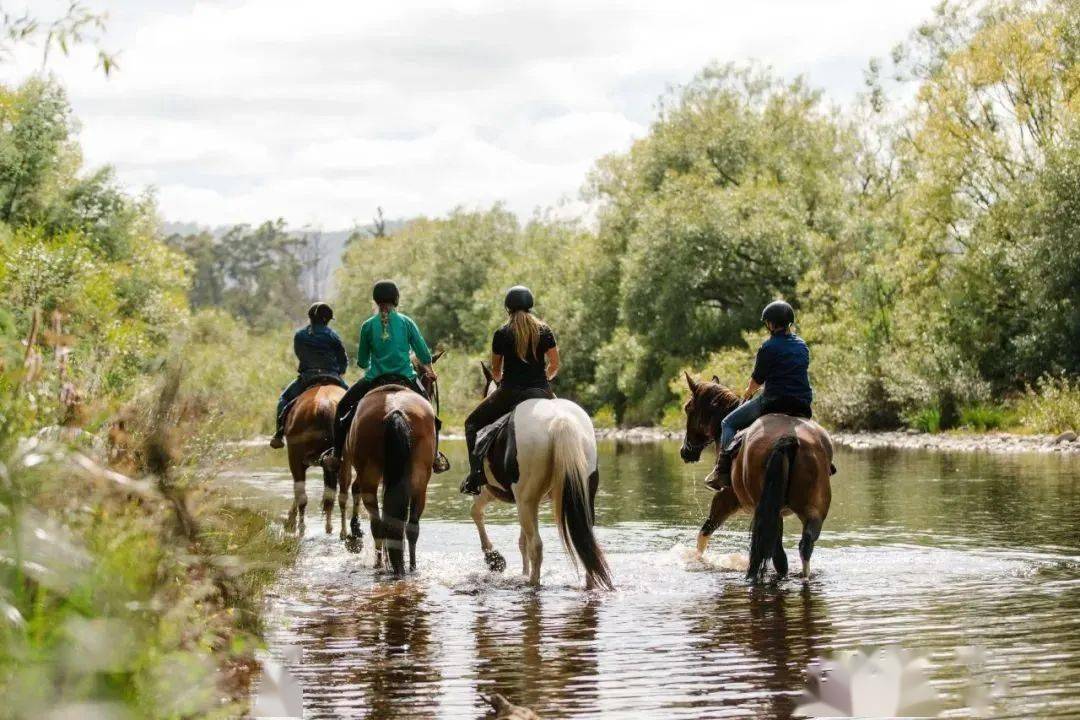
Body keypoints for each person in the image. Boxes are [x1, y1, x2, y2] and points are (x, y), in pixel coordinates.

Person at [324, 280, 449, 473]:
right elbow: (424, 354)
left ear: (375, 301)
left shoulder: (367, 326)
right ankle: (436, 456)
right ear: (396, 299)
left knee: (342, 408)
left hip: (375, 379)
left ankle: (336, 454)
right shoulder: (407, 322)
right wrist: (430, 369)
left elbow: (363, 362)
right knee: (430, 414)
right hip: (406, 378)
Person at [460, 285, 559, 495]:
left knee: (471, 423)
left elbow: (496, 370)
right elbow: (555, 364)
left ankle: (475, 477)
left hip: (510, 392)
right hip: (541, 391)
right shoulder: (545, 330)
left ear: (508, 308)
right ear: (530, 305)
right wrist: (545, 378)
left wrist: (497, 380)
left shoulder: (502, 333)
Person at [708, 300, 814, 490]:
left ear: (771, 324)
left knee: (728, 423)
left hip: (774, 402)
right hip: (802, 405)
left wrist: (748, 393)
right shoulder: (802, 346)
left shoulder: (768, 347)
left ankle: (722, 472)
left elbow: (757, 380)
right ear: (789, 322)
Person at [270, 302, 350, 449]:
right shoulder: (333, 335)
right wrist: (340, 371)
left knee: (284, 399)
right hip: (333, 376)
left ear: (310, 318)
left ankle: (279, 434)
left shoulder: (300, 336)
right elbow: (343, 359)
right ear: (327, 320)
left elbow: (300, 354)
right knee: (354, 401)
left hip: (308, 378)